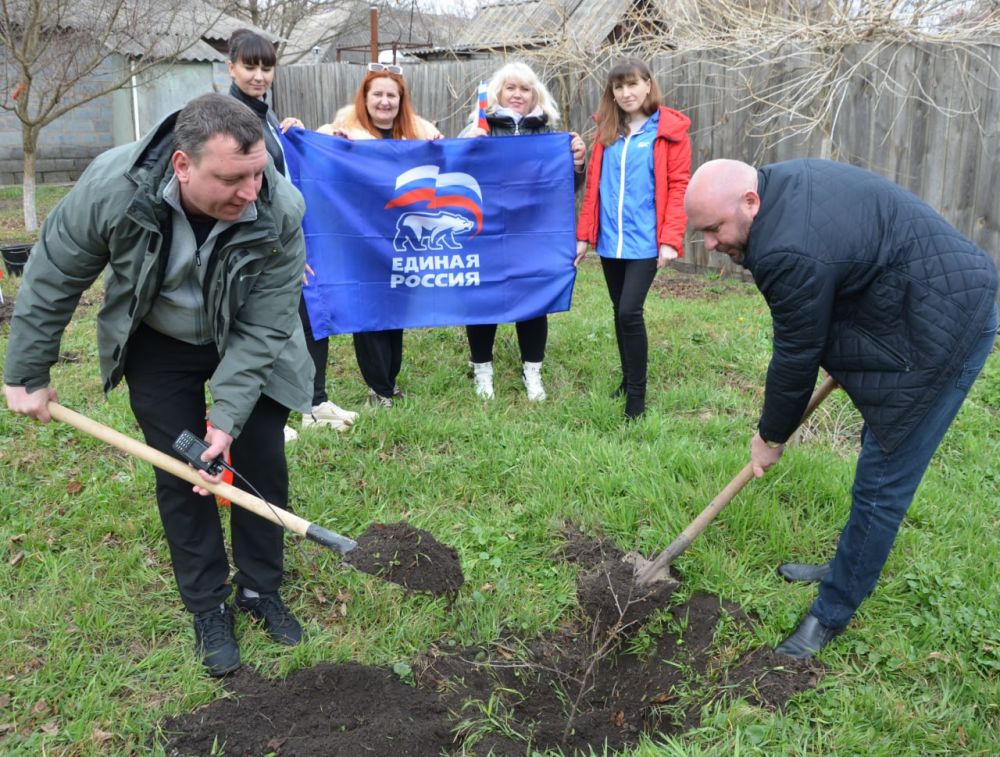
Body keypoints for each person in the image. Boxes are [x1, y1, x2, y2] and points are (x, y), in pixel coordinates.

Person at [3, 94, 316, 677]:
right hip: (158, 339)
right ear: (182, 166)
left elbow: (268, 322)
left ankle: (259, 590)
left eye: (256, 173)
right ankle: (207, 606)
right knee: (182, 471)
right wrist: (27, 371)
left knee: (262, 462)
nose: (250, 191)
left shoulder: (279, 206)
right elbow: (54, 271)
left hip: (246, 335)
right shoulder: (114, 188)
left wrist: (226, 417)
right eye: (231, 178)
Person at [684, 158, 998, 659]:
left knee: (884, 475)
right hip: (909, 298)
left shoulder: (785, 248)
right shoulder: (782, 190)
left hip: (948, 322)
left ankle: (830, 613)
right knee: (878, 442)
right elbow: (844, 263)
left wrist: (769, 438)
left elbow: (795, 356)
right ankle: (848, 563)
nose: (711, 245)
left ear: (750, 202)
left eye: (715, 229)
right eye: (702, 232)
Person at [226, 29, 358, 439]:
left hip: (286, 239)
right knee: (261, 329)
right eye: (250, 66)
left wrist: (291, 134)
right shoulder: (230, 117)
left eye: (267, 67)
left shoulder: (261, 112)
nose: (259, 75)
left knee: (307, 318)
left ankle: (312, 403)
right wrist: (273, 248)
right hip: (257, 244)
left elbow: (278, 172)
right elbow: (242, 191)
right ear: (231, 66)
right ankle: (259, 414)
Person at [457, 62, 586, 402]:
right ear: (498, 92)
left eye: (524, 89)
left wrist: (576, 164)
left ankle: (533, 370)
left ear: (535, 96)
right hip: (485, 231)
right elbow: (456, 175)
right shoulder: (479, 128)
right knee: (483, 297)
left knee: (533, 299)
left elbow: (565, 188)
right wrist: (465, 145)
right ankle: (482, 370)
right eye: (510, 87)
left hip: (531, 233)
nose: (517, 94)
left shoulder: (548, 135)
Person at [317, 63, 442, 407]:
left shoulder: (416, 135)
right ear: (365, 98)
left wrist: (438, 144)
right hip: (361, 239)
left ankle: (390, 380)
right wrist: (327, 140)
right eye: (378, 94)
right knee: (368, 312)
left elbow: (444, 161)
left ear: (401, 101)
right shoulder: (343, 133)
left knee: (395, 311)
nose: (385, 102)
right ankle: (378, 388)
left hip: (402, 241)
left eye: (392, 95)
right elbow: (314, 153)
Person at [575, 59, 692, 420]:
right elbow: (593, 188)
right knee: (617, 311)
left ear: (647, 85)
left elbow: (678, 187)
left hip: (645, 241)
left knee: (630, 311)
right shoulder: (607, 131)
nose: (625, 94)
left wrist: (671, 238)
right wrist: (584, 237)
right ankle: (627, 380)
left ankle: (636, 401)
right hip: (611, 241)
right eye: (618, 87)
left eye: (632, 85)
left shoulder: (668, 131)